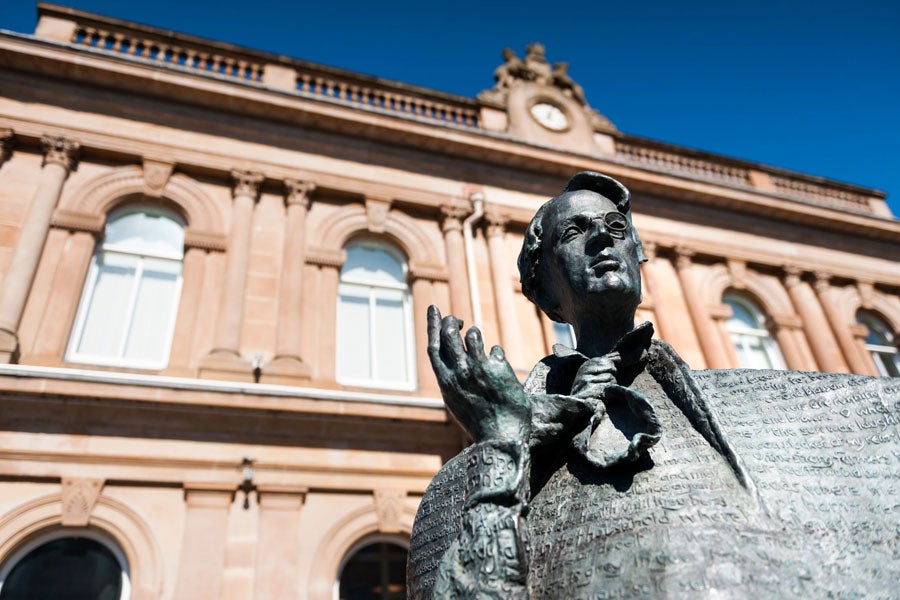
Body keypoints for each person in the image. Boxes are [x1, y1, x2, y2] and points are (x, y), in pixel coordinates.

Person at [408, 171, 898, 599]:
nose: (603, 237)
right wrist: (500, 444)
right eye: (574, 231)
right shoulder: (470, 475)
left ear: (638, 255)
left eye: (616, 228)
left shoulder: (795, 416)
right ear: (541, 286)